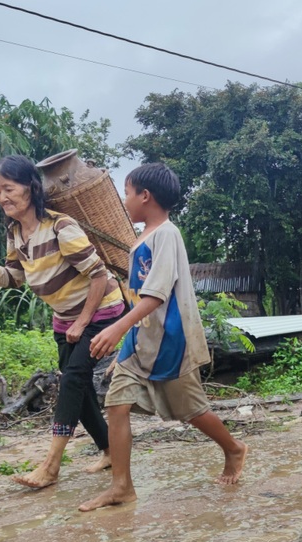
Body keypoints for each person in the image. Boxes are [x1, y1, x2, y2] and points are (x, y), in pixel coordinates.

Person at [79, 162, 248, 512]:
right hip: (141, 338)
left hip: (170, 339)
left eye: (127, 193)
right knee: (116, 404)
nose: (124, 200)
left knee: (191, 410)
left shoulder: (167, 235)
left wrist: (116, 326)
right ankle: (122, 486)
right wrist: (126, 336)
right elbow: (140, 295)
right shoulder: (142, 239)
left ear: (145, 195)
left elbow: (157, 295)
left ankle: (233, 449)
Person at [0, 155, 125, 487]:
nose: (2, 197)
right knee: (80, 385)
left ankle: (51, 465)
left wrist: (82, 322)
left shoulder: (61, 227)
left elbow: (99, 276)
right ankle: (109, 450)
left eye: (9, 188)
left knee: (74, 379)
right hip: (65, 319)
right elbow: (14, 278)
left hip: (100, 311)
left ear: (30, 188)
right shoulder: (15, 232)